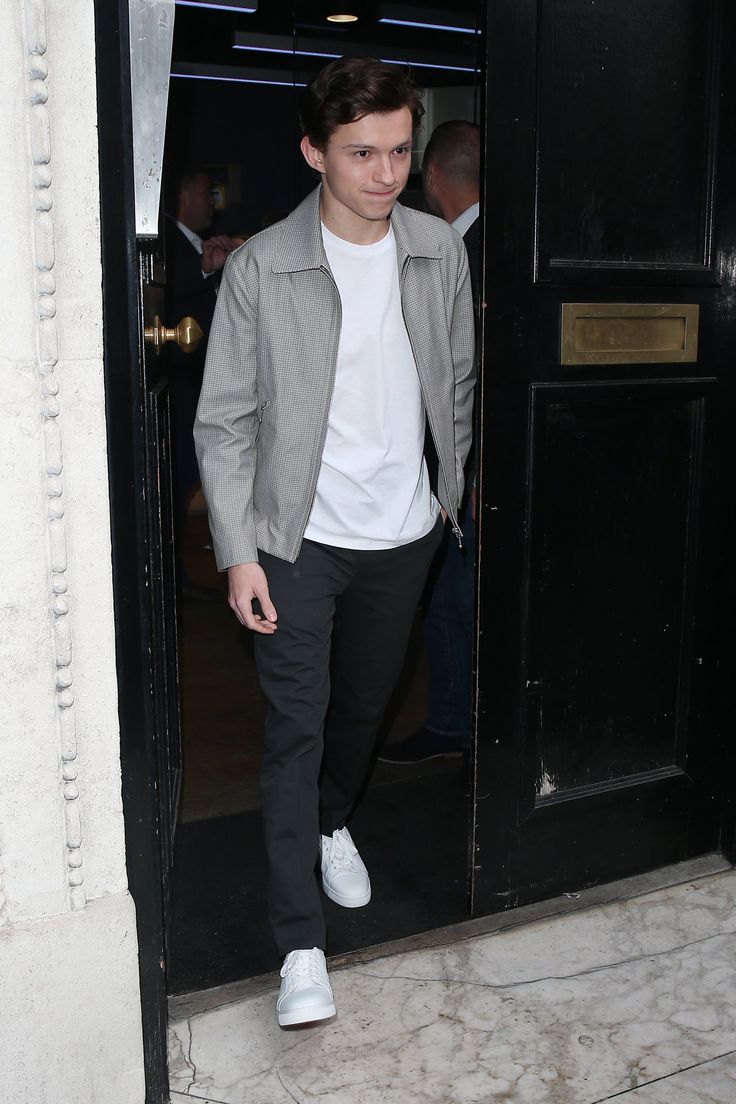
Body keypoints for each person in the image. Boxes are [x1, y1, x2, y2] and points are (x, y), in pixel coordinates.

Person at [194, 58, 476, 1028]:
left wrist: (450, 493)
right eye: (362, 153)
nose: (385, 172)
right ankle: (298, 945)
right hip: (296, 538)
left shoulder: (439, 248)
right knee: (295, 728)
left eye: (400, 150)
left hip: (403, 534)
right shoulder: (266, 266)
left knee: (361, 712)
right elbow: (223, 421)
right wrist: (239, 552)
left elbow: (459, 382)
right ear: (314, 150)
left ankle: (332, 819)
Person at [379, 120, 481, 765]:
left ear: (431, 176)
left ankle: (450, 721)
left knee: (449, 590)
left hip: (456, 458)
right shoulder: (521, 239)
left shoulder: (445, 250)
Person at [163, 167, 238, 599]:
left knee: (186, 477)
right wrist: (208, 270)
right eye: (205, 192)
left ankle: (178, 575)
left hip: (196, 381)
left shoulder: (195, 245)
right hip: (183, 382)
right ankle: (173, 577)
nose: (212, 201)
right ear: (184, 195)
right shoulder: (170, 242)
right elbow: (171, 298)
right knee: (180, 476)